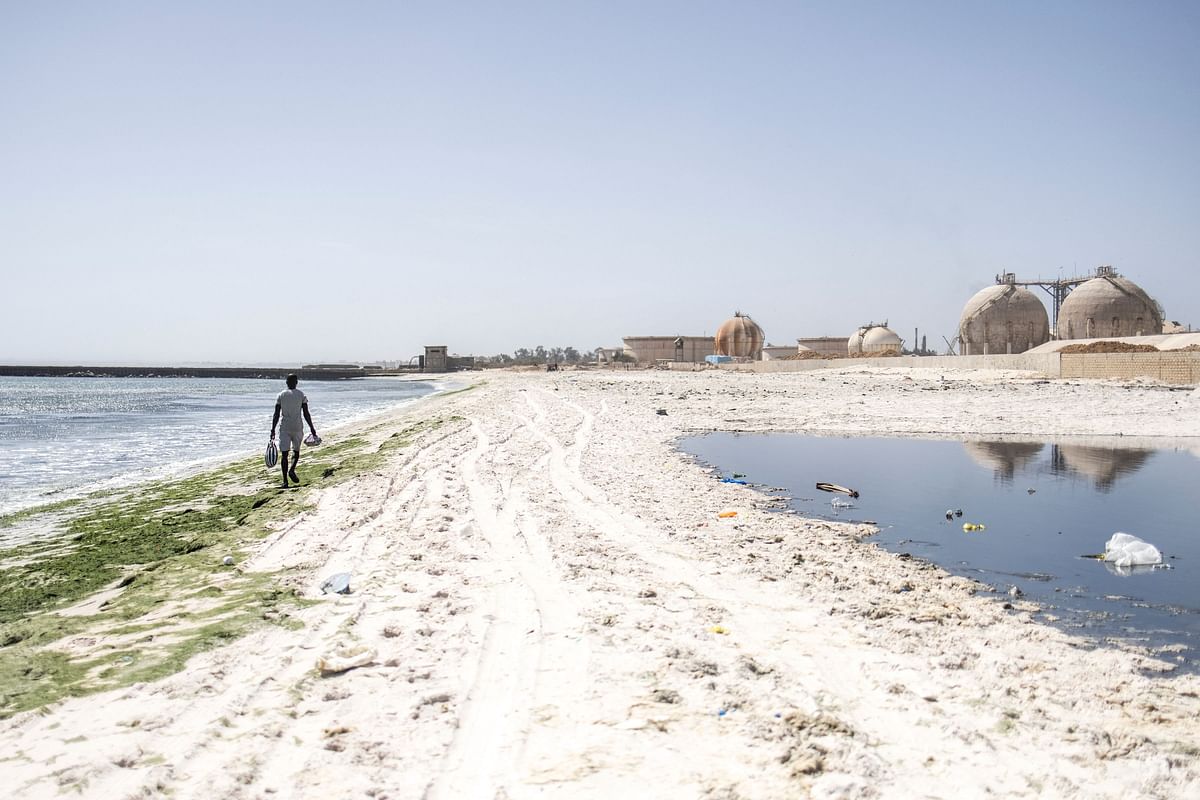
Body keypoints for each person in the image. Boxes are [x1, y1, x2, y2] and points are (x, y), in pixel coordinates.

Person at [270, 373, 317, 488]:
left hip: (284, 427)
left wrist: (272, 429)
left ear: (286, 382)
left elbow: (276, 414)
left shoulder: (281, 395)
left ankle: (285, 481)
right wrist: (312, 427)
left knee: (284, 454)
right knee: (296, 451)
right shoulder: (301, 395)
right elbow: (306, 414)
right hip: (297, 427)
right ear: (296, 383)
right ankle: (292, 470)